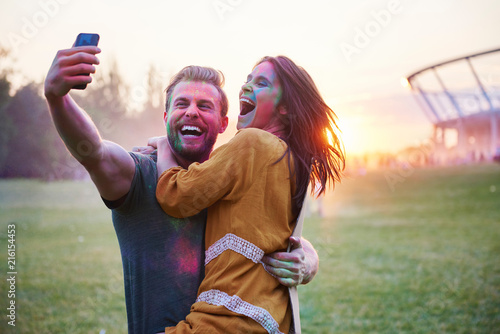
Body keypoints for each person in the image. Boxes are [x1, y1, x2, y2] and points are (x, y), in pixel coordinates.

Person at [44, 43, 319, 334]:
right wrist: (56, 99)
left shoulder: (232, 175)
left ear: (224, 123)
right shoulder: (142, 172)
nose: (191, 112)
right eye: (181, 104)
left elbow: (273, 233)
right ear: (166, 119)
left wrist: (308, 258)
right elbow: (94, 152)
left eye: (204, 106)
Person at [155, 56, 345, 333]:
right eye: (247, 80)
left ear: (285, 109)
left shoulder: (251, 143)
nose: (245, 88)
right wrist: (309, 256)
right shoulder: (293, 163)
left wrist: (163, 149)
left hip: (224, 321)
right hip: (268, 321)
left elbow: (176, 197)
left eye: (261, 83)